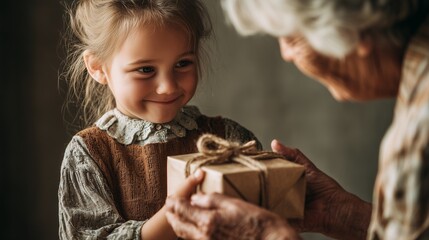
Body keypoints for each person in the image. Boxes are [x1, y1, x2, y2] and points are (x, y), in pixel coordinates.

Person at [165, 0, 429, 239]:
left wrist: (270, 236)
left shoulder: (419, 129)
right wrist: (339, 213)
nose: (286, 54)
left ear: (355, 30)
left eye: (290, 38)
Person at [57, 0, 262, 239]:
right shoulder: (89, 154)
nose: (168, 87)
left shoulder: (227, 139)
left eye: (183, 63)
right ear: (98, 67)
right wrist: (172, 217)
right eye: (145, 70)